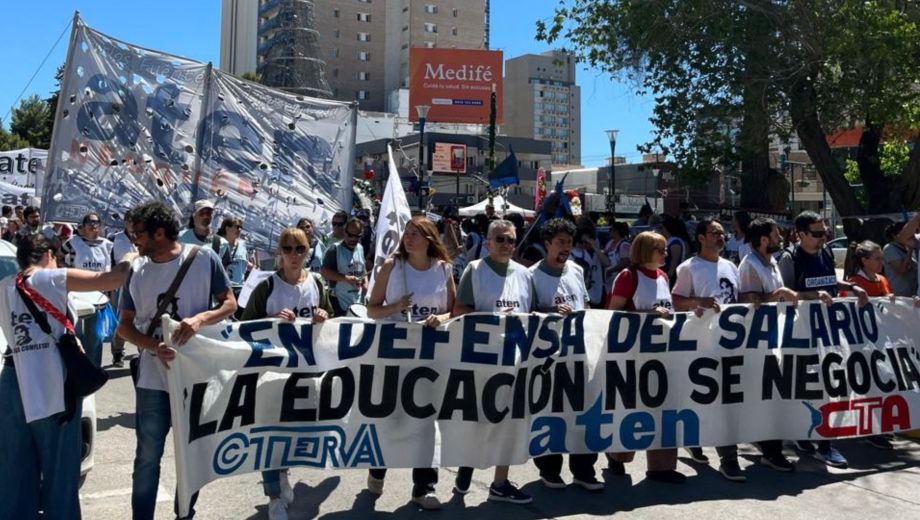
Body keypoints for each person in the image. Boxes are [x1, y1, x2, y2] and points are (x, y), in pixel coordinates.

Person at [0, 233, 134, 519]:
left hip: (13, 379)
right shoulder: (51, 277)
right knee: (60, 470)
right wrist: (129, 257)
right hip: (50, 379)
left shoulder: (4, 286)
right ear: (48, 254)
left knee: (15, 470)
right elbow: (111, 280)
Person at [116, 201, 237, 520]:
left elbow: (230, 304)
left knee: (191, 454)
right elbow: (124, 327)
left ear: (159, 232)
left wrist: (201, 319)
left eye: (138, 234)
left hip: (195, 377)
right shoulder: (135, 270)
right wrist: (154, 347)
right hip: (152, 380)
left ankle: (185, 513)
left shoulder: (203, 258)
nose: (135, 241)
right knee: (147, 457)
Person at [364, 216, 456, 510]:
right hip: (395, 354)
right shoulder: (393, 267)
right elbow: (372, 311)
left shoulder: (444, 269)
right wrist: (396, 307)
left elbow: (456, 310)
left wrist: (440, 318)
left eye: (416, 233)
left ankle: (424, 486)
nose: (408, 237)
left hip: (432, 356)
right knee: (391, 418)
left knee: (427, 422)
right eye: (407, 232)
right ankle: (378, 469)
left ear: (429, 239)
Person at [240, 227, 331, 520]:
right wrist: (270, 321)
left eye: (300, 249)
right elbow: (244, 329)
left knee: (292, 436)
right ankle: (274, 496)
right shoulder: (266, 288)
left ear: (308, 252)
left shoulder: (316, 284)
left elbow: (332, 326)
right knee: (269, 435)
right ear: (279, 252)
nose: (294, 255)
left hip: (306, 375)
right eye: (288, 249)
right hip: (270, 376)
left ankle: (283, 473)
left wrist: (323, 317)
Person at [453, 219, 534, 504]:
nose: (506, 245)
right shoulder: (475, 271)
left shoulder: (524, 274)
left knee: (509, 424)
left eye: (511, 240)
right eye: (500, 239)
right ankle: (466, 463)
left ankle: (500, 482)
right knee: (478, 421)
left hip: (515, 361)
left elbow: (532, 313)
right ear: (488, 243)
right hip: (481, 361)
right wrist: (495, 320)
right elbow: (459, 311)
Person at [778, 211, 868, 468]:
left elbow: (828, 280)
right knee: (805, 389)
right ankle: (805, 435)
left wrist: (851, 287)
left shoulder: (826, 252)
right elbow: (784, 296)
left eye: (825, 233)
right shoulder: (789, 258)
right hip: (800, 335)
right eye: (817, 234)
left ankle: (825, 443)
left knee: (832, 386)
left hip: (829, 334)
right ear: (801, 234)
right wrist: (811, 296)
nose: (822, 238)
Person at [605, 231, 687, 483]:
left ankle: (662, 467)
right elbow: (613, 314)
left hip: (663, 354)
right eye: (659, 250)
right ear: (643, 251)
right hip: (635, 355)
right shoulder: (628, 277)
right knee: (632, 409)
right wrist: (649, 316)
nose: (665, 254)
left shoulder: (663, 276)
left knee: (665, 409)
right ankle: (617, 455)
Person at [528, 218, 604, 491]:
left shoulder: (575, 270)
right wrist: (548, 314)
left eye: (569, 243)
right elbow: (527, 316)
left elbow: (584, 304)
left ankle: (584, 469)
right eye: (560, 242)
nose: (566, 248)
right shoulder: (532, 275)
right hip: (548, 359)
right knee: (551, 414)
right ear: (547, 244)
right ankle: (549, 468)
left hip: (579, 355)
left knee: (583, 414)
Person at [671, 219, 745, 481]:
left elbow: (737, 299)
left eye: (723, 234)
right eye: (715, 233)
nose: (720, 237)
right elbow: (676, 301)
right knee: (702, 396)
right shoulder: (688, 268)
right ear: (701, 237)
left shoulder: (731, 266)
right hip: (701, 345)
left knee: (728, 401)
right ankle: (696, 438)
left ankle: (729, 457)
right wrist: (697, 302)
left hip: (731, 344)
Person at [736, 218, 798, 472]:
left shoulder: (771, 262)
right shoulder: (750, 264)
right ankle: (772, 452)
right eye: (775, 235)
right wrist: (778, 294)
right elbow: (749, 301)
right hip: (757, 342)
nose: (780, 238)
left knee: (773, 396)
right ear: (763, 240)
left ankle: (767, 444)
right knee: (769, 397)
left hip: (774, 337)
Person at [60, 212, 116, 368]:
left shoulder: (107, 245)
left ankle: (93, 369)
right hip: (76, 297)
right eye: (89, 222)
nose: (93, 225)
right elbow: (60, 258)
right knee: (76, 334)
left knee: (95, 337)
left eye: (96, 222)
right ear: (82, 226)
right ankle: (78, 368)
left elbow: (111, 268)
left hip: (98, 298)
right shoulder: (73, 243)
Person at [109, 209, 139, 367]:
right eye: (130, 221)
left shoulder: (145, 238)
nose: (132, 225)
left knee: (143, 319)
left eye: (136, 221)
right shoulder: (114, 239)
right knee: (123, 319)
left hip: (142, 283)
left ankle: (144, 350)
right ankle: (118, 351)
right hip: (121, 284)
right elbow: (109, 262)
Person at [320, 217, 366, 316]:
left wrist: (365, 282)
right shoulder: (335, 249)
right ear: (345, 232)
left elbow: (363, 267)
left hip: (357, 301)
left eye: (357, 236)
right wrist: (345, 278)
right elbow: (324, 271)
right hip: (339, 302)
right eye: (350, 235)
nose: (353, 239)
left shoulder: (360, 248)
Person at [570, 226, 610, 307]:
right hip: (584, 295)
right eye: (582, 242)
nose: (584, 244)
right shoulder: (575, 254)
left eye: (587, 241)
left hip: (599, 293)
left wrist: (594, 246)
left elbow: (607, 263)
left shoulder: (597, 253)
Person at [217, 217, 251, 295]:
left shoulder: (243, 245)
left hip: (239, 288)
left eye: (240, 228)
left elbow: (244, 263)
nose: (239, 230)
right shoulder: (217, 244)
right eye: (237, 227)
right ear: (227, 228)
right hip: (221, 289)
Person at [883, 222, 917, 297]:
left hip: (913, 295)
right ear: (894, 235)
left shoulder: (908, 248)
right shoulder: (889, 249)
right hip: (900, 296)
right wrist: (910, 250)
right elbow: (901, 270)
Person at [660, 214, 690, 287]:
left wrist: (669, 276)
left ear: (667, 228)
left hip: (673, 276)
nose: (661, 230)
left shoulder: (675, 243)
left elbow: (674, 261)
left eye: (662, 228)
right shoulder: (669, 241)